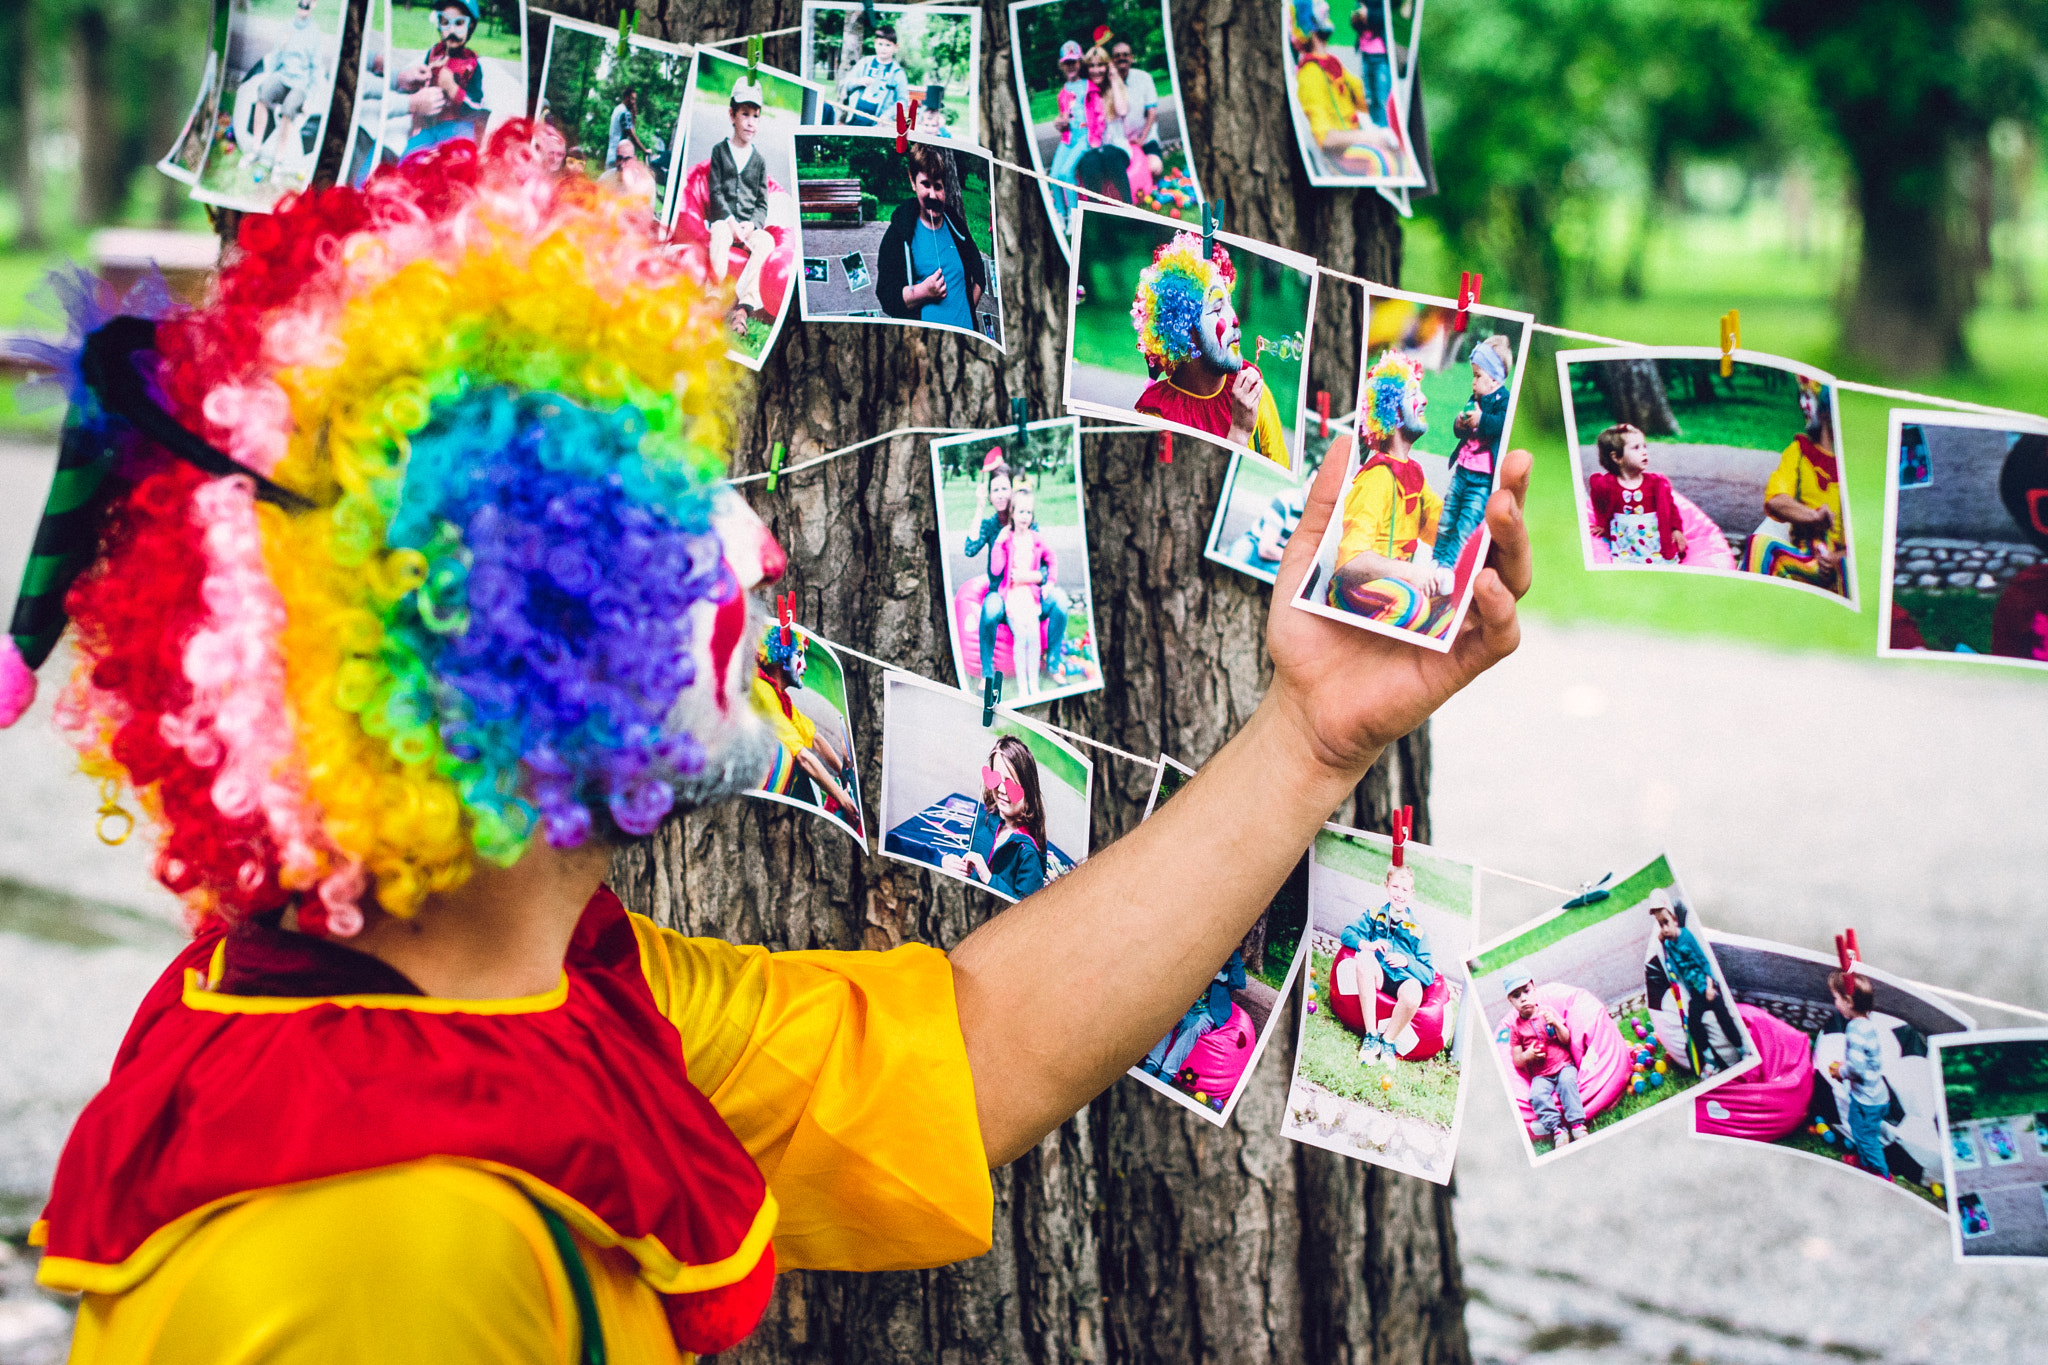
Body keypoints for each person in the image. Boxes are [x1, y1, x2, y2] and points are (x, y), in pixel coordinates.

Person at [6, 123, 1535, 1360]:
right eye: (635, 512)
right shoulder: (380, 1237)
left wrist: (1309, 739)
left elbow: (974, 1048)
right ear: (471, 660)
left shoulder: (514, 995)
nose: (735, 540)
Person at [1130, 231, 1289, 465]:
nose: (1234, 318)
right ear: (1183, 332)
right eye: (1216, 309)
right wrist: (1239, 432)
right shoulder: (1157, 415)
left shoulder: (1252, 393)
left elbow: (1277, 487)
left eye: (1230, 304)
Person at [1329, 355, 1454, 629]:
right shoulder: (1376, 479)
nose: (1424, 400)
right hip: (1353, 592)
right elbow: (1351, 562)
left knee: (1450, 612)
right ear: (1392, 411)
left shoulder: (1414, 476)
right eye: (1413, 393)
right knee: (1411, 604)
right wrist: (1411, 572)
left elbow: (1444, 529)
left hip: (1395, 587)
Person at [963, 452, 1070, 695]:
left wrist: (1029, 578)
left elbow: (1046, 563)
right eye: (995, 490)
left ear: (1012, 490)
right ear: (990, 496)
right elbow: (970, 549)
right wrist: (979, 507)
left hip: (1029, 591)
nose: (1000, 494)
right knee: (990, 610)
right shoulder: (992, 525)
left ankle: (1052, 662)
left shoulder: (1027, 520)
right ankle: (987, 672)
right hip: (1001, 593)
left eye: (1004, 488)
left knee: (1061, 602)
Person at [754, 629, 863, 837]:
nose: (804, 666)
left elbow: (815, 738)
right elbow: (803, 757)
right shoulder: (763, 691)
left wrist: (842, 772)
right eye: (800, 656)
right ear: (783, 658)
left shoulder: (781, 698)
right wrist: (841, 797)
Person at [1742, 376, 1847, 593]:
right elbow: (1775, 501)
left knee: (1850, 567)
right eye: (1801, 398)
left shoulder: (1859, 463)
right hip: (1807, 562)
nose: (1802, 405)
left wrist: (1838, 559)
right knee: (1759, 545)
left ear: (1829, 410)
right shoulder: (1798, 452)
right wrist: (1814, 516)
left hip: (1847, 568)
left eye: (1808, 398)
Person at [1336, 841, 1433, 1065]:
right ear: (1386, 886)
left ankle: (1387, 1041)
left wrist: (1407, 961)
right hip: (1378, 975)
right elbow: (1347, 934)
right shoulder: (1373, 915)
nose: (1399, 894)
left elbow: (1427, 974)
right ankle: (1371, 1035)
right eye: (1395, 887)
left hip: (1402, 980)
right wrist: (1367, 945)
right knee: (1364, 960)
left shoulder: (1418, 931)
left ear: (1412, 894)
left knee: (1414, 991)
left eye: (1405, 889)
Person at [876, 141, 986, 332]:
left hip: (966, 341)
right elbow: (886, 296)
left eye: (938, 187)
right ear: (913, 181)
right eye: (925, 185)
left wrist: (967, 314)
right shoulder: (899, 232)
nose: (933, 195)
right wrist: (923, 292)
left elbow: (979, 273)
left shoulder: (955, 224)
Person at [1290, 0, 1401, 177]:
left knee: (1398, 155)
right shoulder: (1309, 74)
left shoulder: (1334, 64)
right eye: (1318, 4)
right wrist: (1372, 138)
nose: (1326, 7)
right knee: (1383, 160)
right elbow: (1325, 139)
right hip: (1337, 161)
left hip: (1356, 147)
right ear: (1307, 20)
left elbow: (1368, 101)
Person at [1434, 334, 1513, 569]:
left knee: (1465, 525)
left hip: (1481, 480)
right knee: (1447, 518)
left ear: (1495, 379)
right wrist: (1460, 423)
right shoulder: (1474, 398)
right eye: (1473, 376)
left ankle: (1448, 568)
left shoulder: (1504, 401)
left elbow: (1502, 425)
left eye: (1478, 376)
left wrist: (1482, 419)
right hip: (1462, 471)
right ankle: (1435, 560)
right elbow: (1462, 433)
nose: (1473, 382)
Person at [705, 78, 776, 332]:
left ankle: (743, 308)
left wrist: (751, 225)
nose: (750, 122)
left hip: (747, 228)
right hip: (725, 222)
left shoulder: (759, 160)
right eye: (744, 114)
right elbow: (715, 191)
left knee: (766, 241)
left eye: (755, 116)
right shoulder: (719, 151)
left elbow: (761, 202)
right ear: (731, 114)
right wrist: (730, 221)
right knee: (720, 233)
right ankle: (714, 299)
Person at [941, 736, 1049, 900]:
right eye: (997, 778)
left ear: (1028, 791)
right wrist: (948, 859)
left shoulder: (1027, 853)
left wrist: (989, 879)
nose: (1002, 790)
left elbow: (1028, 910)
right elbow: (967, 850)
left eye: (1011, 783)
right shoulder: (984, 820)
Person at [1646, 889, 1740, 1074]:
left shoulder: (1687, 936)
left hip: (1707, 989)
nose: (1664, 928)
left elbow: (1705, 961)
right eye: (1660, 925)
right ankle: (1709, 1059)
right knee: (1694, 1024)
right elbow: (1672, 969)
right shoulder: (1668, 945)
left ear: (1674, 919)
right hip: (1696, 994)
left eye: (1666, 922)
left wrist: (1711, 986)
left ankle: (1740, 1048)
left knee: (1724, 1017)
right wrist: (1664, 948)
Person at [244, 0, 329, 186]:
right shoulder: (287, 27)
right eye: (301, 3)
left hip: (300, 85)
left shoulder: (314, 34)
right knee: (263, 94)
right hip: (283, 76)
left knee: (288, 111)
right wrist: (281, 47)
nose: (303, 7)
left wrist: (310, 100)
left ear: (313, 5)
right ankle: (256, 150)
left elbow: (316, 70)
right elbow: (274, 62)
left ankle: (278, 162)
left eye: (307, 4)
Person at [394, 0, 488, 158]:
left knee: (459, 161)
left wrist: (452, 88)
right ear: (438, 24)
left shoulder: (471, 66)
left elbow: (476, 108)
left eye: (459, 23)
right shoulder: (433, 55)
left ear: (470, 25)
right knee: (409, 159)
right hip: (428, 126)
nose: (451, 30)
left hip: (457, 126)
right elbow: (420, 92)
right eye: (445, 23)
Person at [1142, 950, 1247, 1087]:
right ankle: (1152, 1064)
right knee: (1167, 1017)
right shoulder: (1199, 959)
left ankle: (1166, 1073)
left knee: (1192, 1027)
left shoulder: (1228, 970)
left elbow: (1239, 983)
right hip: (1186, 1007)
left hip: (1207, 1012)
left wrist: (1236, 956)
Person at [1505, 972, 1587, 1147]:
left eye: (1526, 991)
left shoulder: (1548, 1012)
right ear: (1510, 1001)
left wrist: (1557, 1024)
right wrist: (1529, 1055)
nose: (1523, 999)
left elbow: (1566, 1039)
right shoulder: (1516, 1028)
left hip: (1564, 1065)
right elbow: (1517, 1060)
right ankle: (1557, 1129)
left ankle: (1577, 1124)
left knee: (1567, 1083)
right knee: (1536, 1096)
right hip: (1541, 1075)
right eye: (1516, 996)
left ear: (1534, 989)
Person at [1586, 422, 1685, 564]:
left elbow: (1670, 507)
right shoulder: (1606, 484)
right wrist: (1601, 523)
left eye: (1644, 446)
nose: (1644, 452)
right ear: (1617, 458)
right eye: (1636, 448)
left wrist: (1676, 529)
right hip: (1624, 543)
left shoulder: (1655, 483)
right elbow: (1599, 502)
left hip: (1654, 541)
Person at [1827, 969, 1892, 1181]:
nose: (1834, 1002)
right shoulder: (1866, 1022)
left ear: (1848, 1002)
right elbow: (1866, 1058)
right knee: (1859, 1130)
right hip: (1874, 1095)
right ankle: (1865, 1163)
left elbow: (1857, 1068)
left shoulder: (1854, 1029)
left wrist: (1841, 1071)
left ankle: (1882, 1177)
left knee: (1868, 1138)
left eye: (1836, 998)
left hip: (1868, 1101)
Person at [990, 481, 1054, 698]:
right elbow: (996, 568)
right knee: (1022, 638)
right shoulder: (1007, 539)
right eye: (1021, 511)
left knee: (1034, 639)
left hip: (1031, 597)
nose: (1025, 516)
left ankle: (1034, 684)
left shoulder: (1036, 539)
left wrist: (1050, 582)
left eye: (1029, 512)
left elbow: (1052, 560)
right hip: (1014, 597)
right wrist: (998, 544)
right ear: (1013, 513)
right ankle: (1022, 686)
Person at [1225, 441, 1328, 574]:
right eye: (1313, 486)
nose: (1315, 493)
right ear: (1305, 483)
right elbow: (1265, 548)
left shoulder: (1323, 517)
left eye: (1321, 489)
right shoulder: (1286, 500)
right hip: (1255, 544)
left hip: (1281, 560)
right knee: (1236, 557)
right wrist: (1297, 560)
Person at [1073, 45, 1133, 205]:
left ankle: (1129, 207)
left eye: (1100, 65)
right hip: (1093, 150)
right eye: (1091, 66)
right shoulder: (1084, 92)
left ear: (1107, 66)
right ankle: (1096, 215)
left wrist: (1113, 77)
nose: (1096, 70)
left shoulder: (1115, 88)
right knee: (1088, 161)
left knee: (1109, 154)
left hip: (1116, 149)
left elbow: (1122, 110)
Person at [1047, 40, 1092, 229]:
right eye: (1067, 63)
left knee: (1066, 172)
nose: (1071, 66)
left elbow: (1095, 113)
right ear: (1062, 65)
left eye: (1074, 62)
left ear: (1080, 63)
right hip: (1068, 139)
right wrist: (1060, 123)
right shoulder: (1062, 93)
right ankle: (1061, 214)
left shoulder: (1089, 86)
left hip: (1085, 137)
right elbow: (1064, 117)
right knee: (1054, 175)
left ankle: (1075, 217)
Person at [1109, 40, 1163, 184]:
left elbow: (1152, 112)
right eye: (1117, 55)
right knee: (1117, 177)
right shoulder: (1108, 83)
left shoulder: (1144, 78)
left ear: (1132, 57)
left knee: (1155, 168)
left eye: (1125, 54)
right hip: (1120, 143)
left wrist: (1141, 139)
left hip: (1144, 138)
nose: (1122, 58)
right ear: (1112, 60)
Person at [836, 24, 908, 127]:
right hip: (854, 116)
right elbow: (846, 85)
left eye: (888, 45)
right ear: (875, 44)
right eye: (880, 44)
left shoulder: (898, 73)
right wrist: (858, 82)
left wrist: (888, 114)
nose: (883, 48)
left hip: (877, 123)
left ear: (895, 47)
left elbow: (903, 100)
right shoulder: (864, 63)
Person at [606, 88, 638, 169]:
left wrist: (633, 116)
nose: (634, 102)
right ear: (627, 97)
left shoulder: (618, 109)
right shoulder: (625, 112)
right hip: (619, 157)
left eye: (635, 99)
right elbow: (631, 135)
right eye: (632, 99)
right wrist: (645, 150)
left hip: (611, 153)